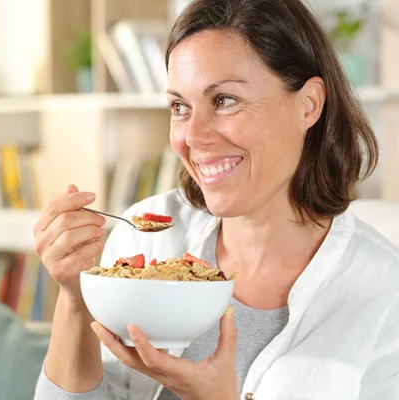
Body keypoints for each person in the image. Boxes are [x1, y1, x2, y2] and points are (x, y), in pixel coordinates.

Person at [32, 0, 399, 398]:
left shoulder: (385, 293)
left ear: (308, 104)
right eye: (179, 107)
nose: (193, 136)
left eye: (224, 100)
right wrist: (75, 296)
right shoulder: (143, 239)